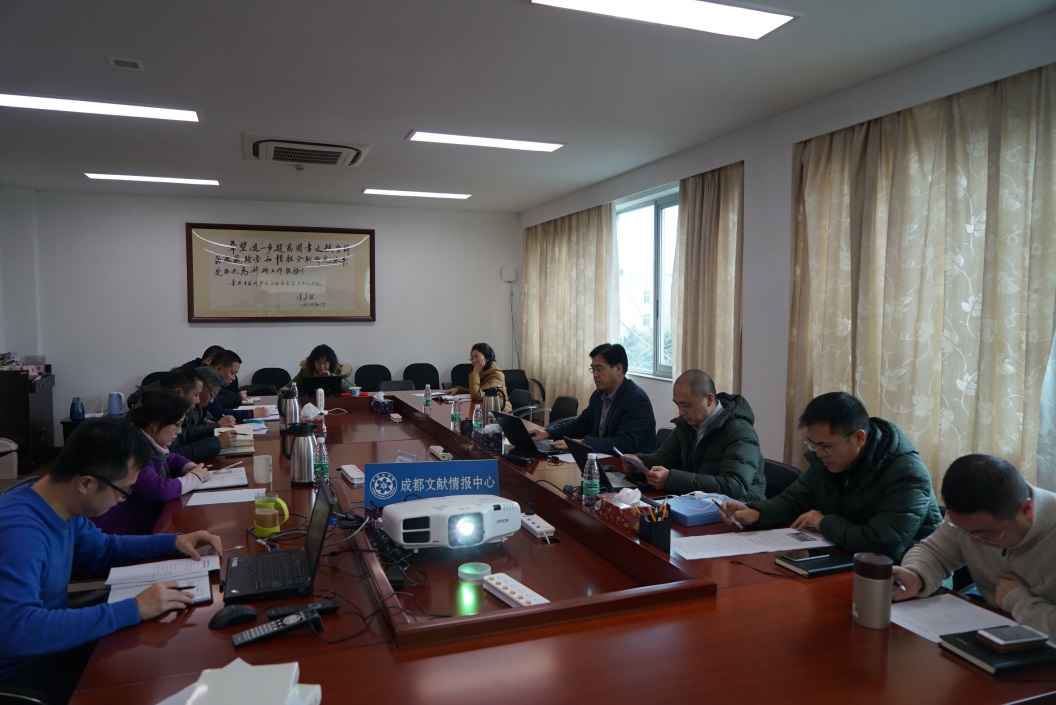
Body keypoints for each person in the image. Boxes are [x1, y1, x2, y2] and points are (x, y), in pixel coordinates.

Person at [0, 418, 222, 704]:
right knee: (155, 675)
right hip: (22, 672)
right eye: (122, 491)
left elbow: (103, 548)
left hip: (51, 645)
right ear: (86, 483)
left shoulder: (58, 503)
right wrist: (133, 608)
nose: (121, 500)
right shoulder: (21, 533)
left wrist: (173, 542)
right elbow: (19, 631)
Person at [721, 391, 941, 561]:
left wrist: (824, 523)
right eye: (813, 444)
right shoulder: (830, 462)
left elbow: (884, 543)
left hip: (907, 578)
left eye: (825, 446)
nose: (818, 454)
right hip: (845, 559)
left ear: (859, 438)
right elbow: (793, 500)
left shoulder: (907, 473)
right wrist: (756, 512)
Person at [894, 454, 1056, 637]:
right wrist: (916, 575)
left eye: (985, 534)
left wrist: (1018, 601)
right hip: (993, 632)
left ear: (1027, 510)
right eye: (964, 530)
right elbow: (934, 552)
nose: (974, 542)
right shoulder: (971, 523)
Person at [628, 369, 765, 500]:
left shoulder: (740, 432)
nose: (681, 412)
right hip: (697, 503)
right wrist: (640, 462)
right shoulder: (687, 424)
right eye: (677, 404)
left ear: (709, 399)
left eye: (686, 405)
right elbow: (664, 457)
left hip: (739, 509)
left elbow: (735, 485)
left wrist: (671, 479)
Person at [92, 389, 210, 535]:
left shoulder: (148, 441)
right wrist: (194, 478)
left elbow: (171, 458)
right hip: (120, 532)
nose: (179, 431)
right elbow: (157, 489)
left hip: (143, 524)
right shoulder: (129, 447)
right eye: (177, 425)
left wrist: (192, 468)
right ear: (155, 424)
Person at [530, 343, 656, 454]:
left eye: (599, 369)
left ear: (618, 368)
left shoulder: (636, 400)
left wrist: (581, 443)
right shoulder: (598, 395)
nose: (595, 375)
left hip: (628, 468)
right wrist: (547, 432)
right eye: (593, 369)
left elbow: (624, 443)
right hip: (602, 460)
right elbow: (580, 424)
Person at [164, 366, 231, 461]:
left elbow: (185, 434)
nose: (198, 400)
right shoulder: (163, 412)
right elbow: (170, 455)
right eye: (196, 395)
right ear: (179, 392)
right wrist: (215, 443)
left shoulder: (177, 406)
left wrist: (211, 425)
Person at [445, 342, 512, 412]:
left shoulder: (496, 375)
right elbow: (479, 392)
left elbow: (477, 395)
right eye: (472, 358)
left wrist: (475, 373)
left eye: (477, 357)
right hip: (484, 408)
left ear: (487, 359)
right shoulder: (481, 371)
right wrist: (458, 390)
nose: (473, 361)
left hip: (500, 411)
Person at [204, 349, 269, 422]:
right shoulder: (206, 380)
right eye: (232, 373)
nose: (234, 378)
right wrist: (252, 413)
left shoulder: (212, 380)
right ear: (219, 368)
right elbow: (218, 413)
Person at [288, 344, 353, 392]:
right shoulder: (306, 370)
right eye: (318, 363)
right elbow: (289, 387)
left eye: (325, 363)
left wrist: (333, 377)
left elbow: (352, 390)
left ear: (331, 363)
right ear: (313, 362)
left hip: (336, 402)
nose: (322, 366)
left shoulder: (338, 370)